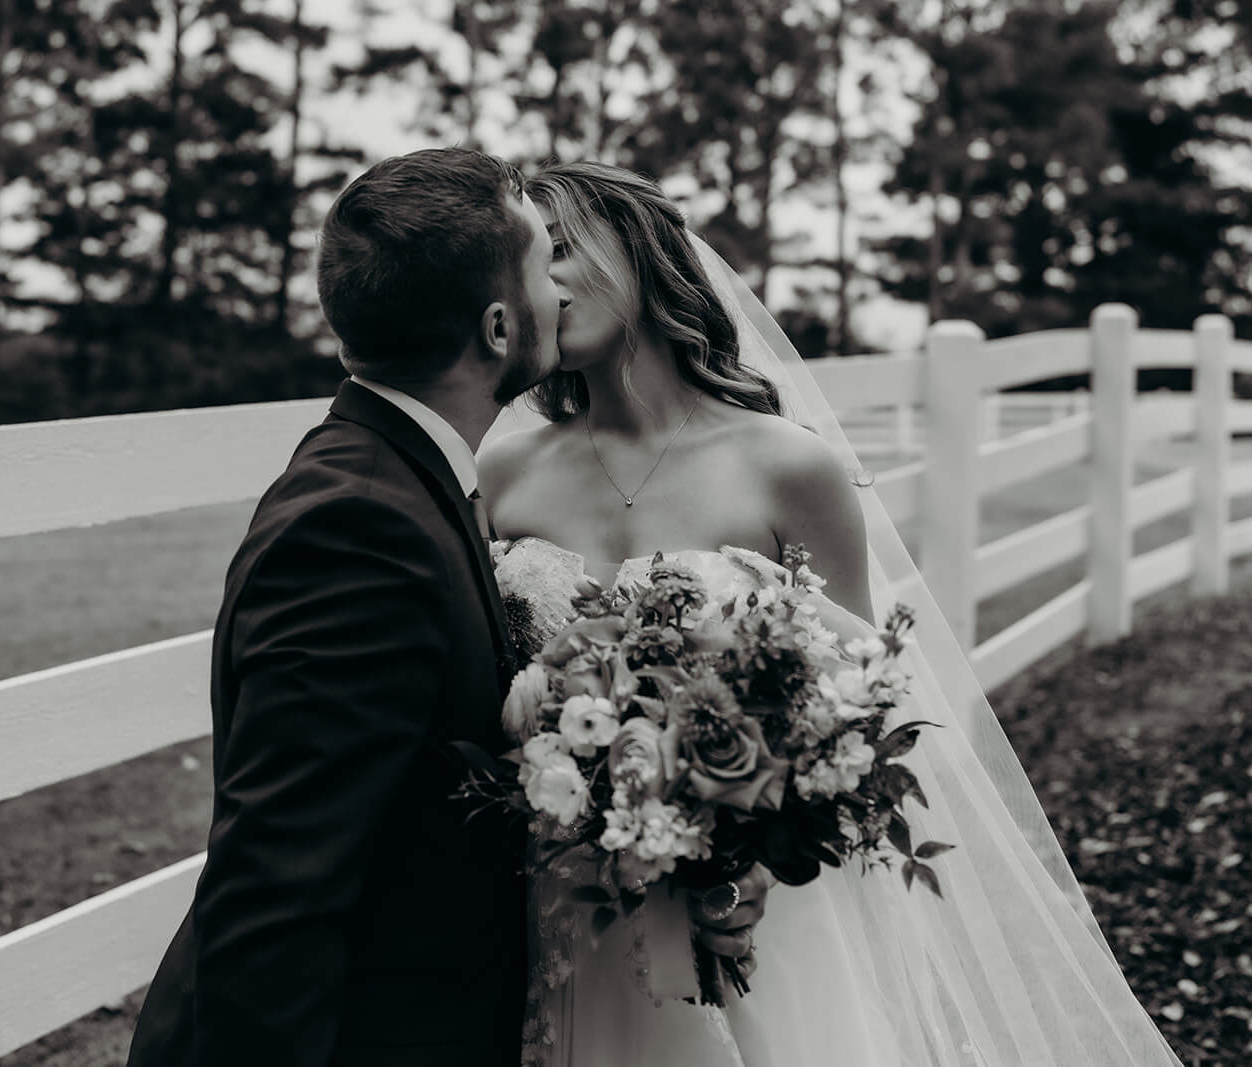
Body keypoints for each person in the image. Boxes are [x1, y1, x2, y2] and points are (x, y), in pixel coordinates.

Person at [479, 161, 1186, 1066]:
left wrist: (747, 864)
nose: (539, 286)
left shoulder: (788, 466)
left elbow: (857, 712)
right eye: (523, 266)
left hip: (763, 917)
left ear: (642, 252)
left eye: (560, 250)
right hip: (569, 910)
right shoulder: (503, 474)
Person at [126, 147, 766, 1067]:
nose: (562, 290)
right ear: (500, 327)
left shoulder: (408, 479)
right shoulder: (357, 527)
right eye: (544, 260)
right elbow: (275, 890)